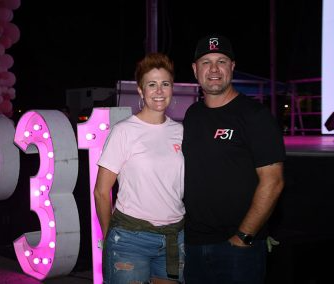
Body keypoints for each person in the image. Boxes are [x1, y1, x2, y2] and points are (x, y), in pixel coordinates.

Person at [182, 35, 286, 283]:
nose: (214, 69)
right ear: (196, 70)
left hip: (238, 249)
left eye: (221, 61)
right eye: (206, 62)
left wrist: (243, 237)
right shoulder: (192, 114)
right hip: (194, 244)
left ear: (232, 67)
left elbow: (273, 182)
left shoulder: (255, 116)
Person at [94, 53, 185, 284]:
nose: (159, 91)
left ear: (172, 89)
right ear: (140, 91)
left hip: (175, 236)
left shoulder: (182, 132)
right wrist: (109, 236)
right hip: (130, 239)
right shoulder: (124, 131)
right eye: (151, 85)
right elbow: (101, 192)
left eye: (165, 84)